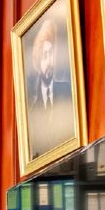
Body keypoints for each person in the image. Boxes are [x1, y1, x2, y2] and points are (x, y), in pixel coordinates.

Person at [26, 16, 74, 157]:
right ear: (38, 60)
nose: (49, 61)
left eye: (51, 53)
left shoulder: (67, 90)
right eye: (45, 56)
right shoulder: (34, 110)